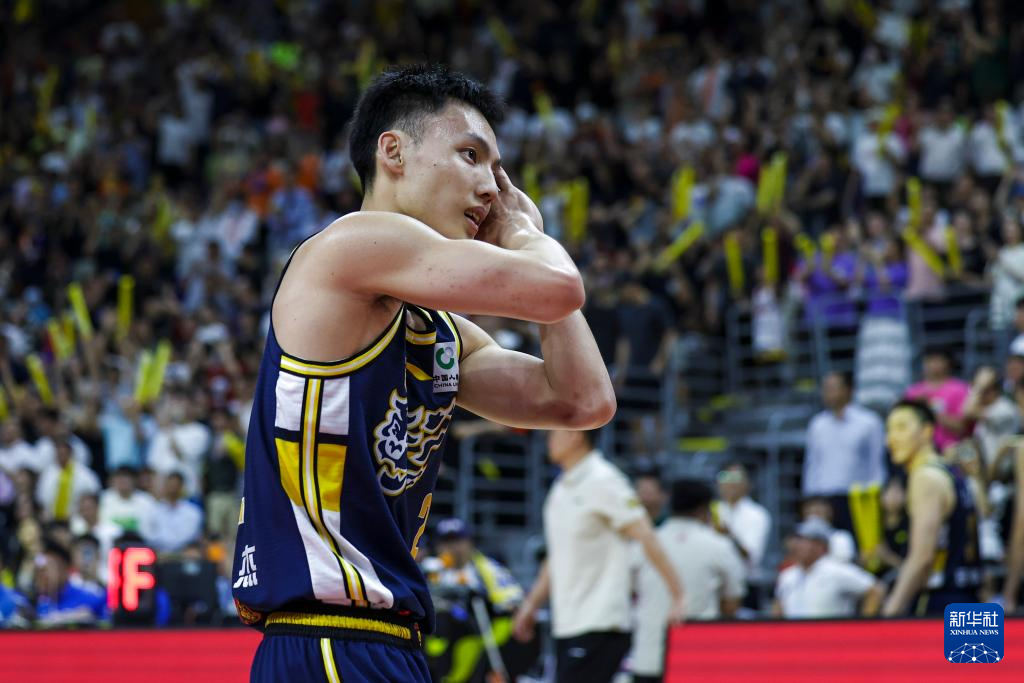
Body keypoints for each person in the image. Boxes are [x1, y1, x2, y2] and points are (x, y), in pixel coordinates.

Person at [232, 64, 615, 683]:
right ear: (393, 152)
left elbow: (583, 400)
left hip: (386, 639)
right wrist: (525, 233)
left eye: (497, 170)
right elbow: (557, 286)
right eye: (471, 156)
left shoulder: (438, 330)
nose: (491, 188)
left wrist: (533, 262)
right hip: (328, 637)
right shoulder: (350, 246)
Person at [511, 429, 683, 683]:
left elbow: (646, 536)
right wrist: (531, 604)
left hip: (601, 622)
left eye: (554, 433)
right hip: (568, 622)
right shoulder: (560, 487)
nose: (548, 439)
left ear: (575, 436)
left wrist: (678, 594)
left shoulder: (604, 480)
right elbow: (557, 556)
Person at [632, 479, 745, 683]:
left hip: (647, 655)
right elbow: (732, 603)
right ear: (704, 508)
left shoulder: (645, 543)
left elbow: (631, 592)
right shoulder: (719, 546)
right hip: (697, 658)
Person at [881, 400, 982, 616]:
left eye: (901, 427)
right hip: (971, 601)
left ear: (927, 431)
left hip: (940, 602)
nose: (891, 438)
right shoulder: (950, 470)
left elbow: (922, 558)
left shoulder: (925, 476)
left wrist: (890, 611)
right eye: (889, 430)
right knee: (982, 643)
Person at [802, 371, 886, 537]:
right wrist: (811, 499)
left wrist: (874, 497)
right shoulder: (817, 424)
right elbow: (812, 463)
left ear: (848, 390)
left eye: (833, 388)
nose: (828, 393)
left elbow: (876, 463)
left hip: (859, 497)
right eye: (825, 389)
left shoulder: (869, 422)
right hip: (824, 498)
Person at [773, 518, 886, 619]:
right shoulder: (788, 575)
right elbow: (778, 607)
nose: (797, 545)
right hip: (794, 634)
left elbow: (875, 590)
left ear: (820, 545)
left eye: (803, 540)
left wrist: (862, 627)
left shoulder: (836, 570)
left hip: (831, 634)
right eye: (797, 539)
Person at [903, 349, 971, 453]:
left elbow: (962, 427)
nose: (932, 365)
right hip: (919, 452)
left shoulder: (960, 390)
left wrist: (928, 408)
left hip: (951, 452)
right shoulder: (913, 392)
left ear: (947, 363)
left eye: (937, 360)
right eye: (928, 360)